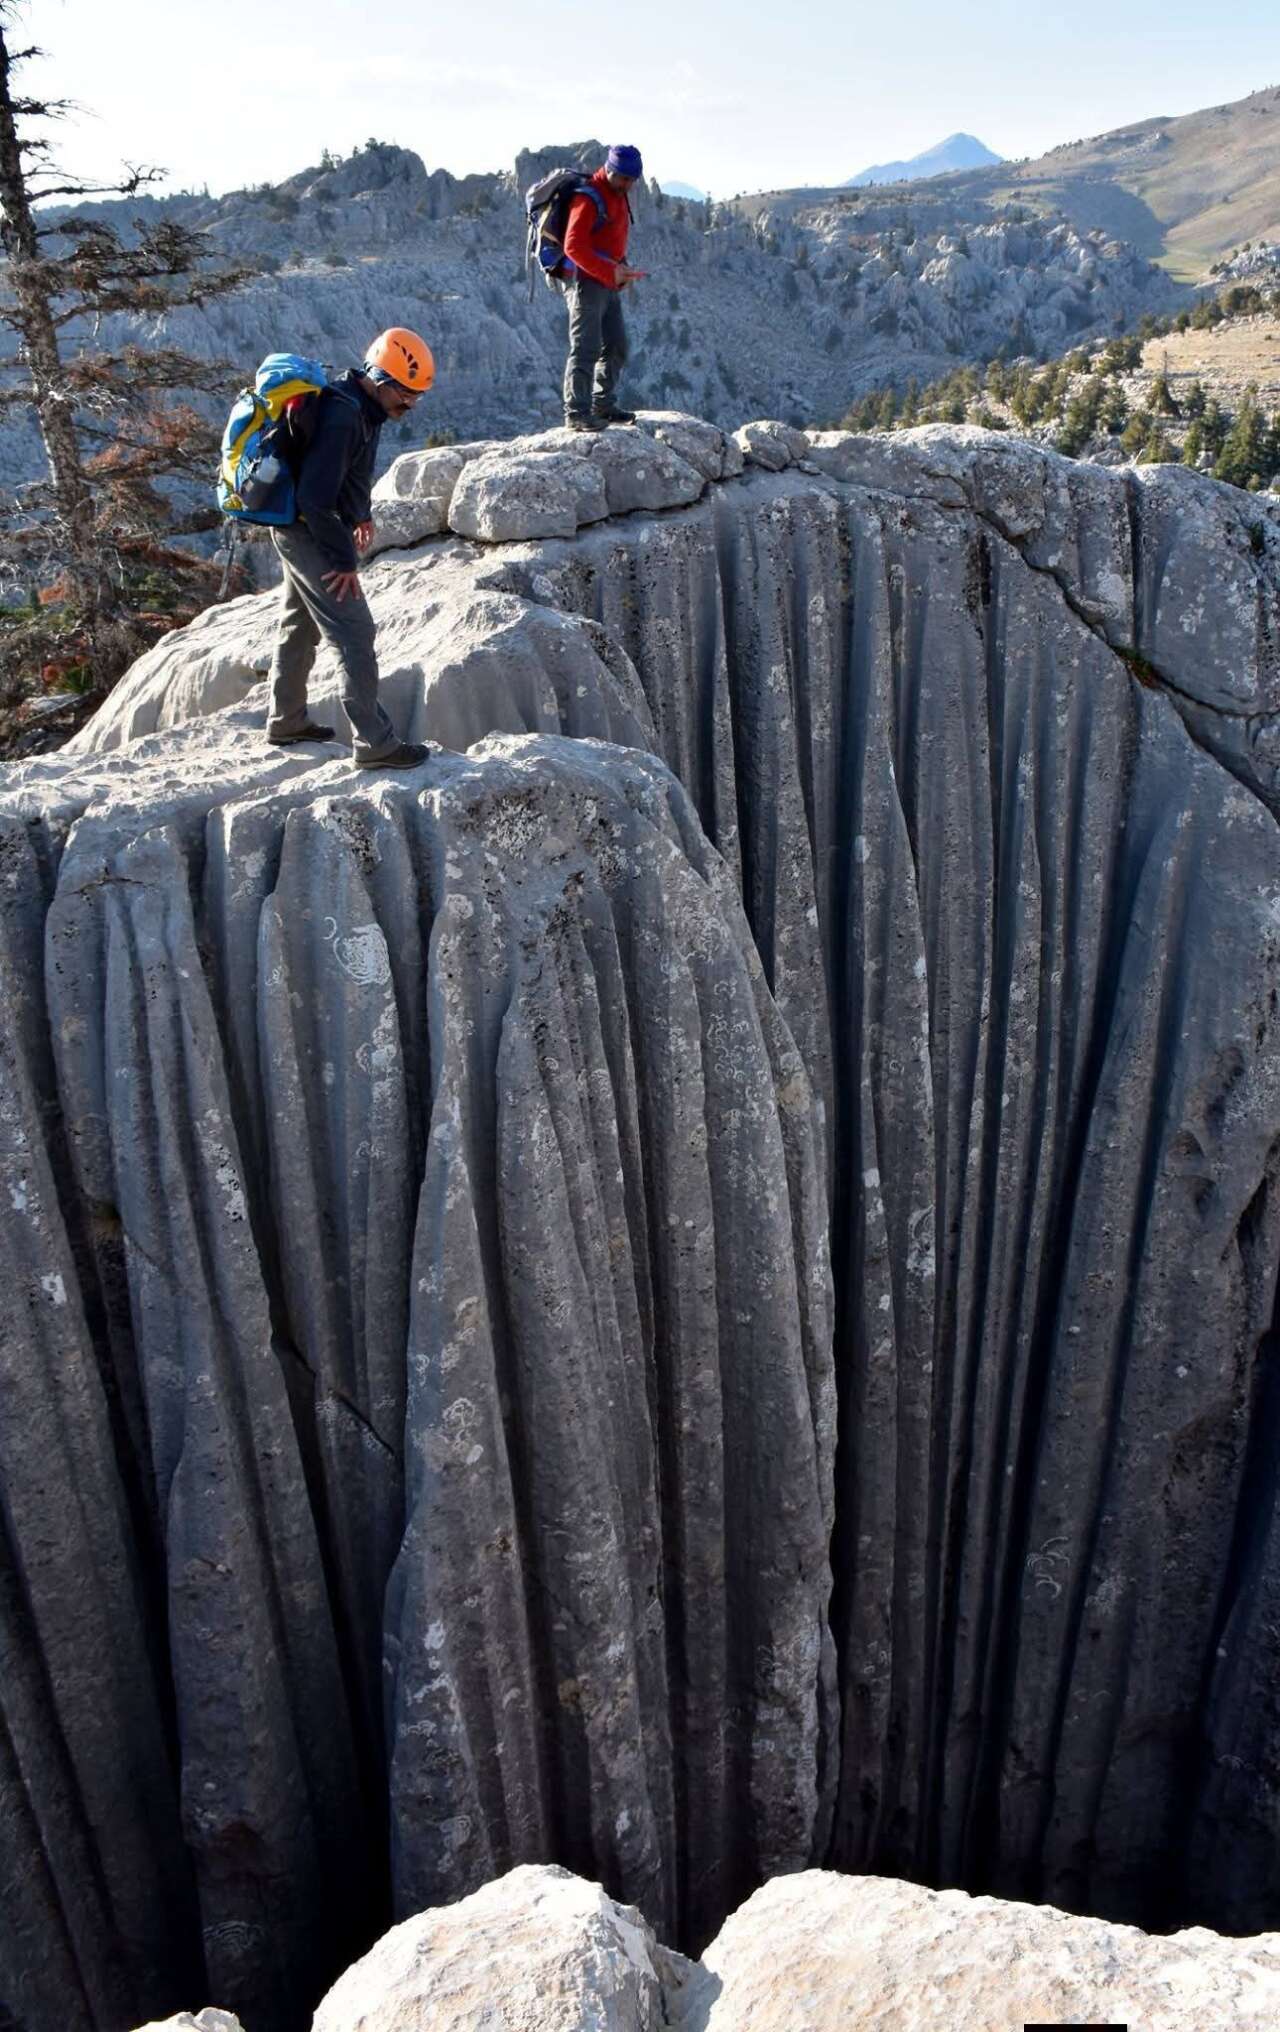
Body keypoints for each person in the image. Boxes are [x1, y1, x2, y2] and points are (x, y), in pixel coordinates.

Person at [265, 326, 435, 767]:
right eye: (406, 392)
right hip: (304, 527)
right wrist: (343, 561)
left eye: (417, 395)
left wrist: (360, 514)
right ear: (380, 379)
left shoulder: (365, 407)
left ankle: (286, 720)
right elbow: (314, 499)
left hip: (303, 524)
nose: (411, 403)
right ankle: (374, 742)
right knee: (354, 632)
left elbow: (354, 470)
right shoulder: (344, 414)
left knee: (299, 622)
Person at [561, 145, 646, 432]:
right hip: (586, 283)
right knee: (585, 347)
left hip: (608, 281)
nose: (627, 185)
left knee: (617, 345)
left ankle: (603, 404)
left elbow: (609, 239)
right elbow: (573, 246)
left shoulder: (618, 195)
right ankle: (577, 413)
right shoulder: (589, 197)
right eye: (622, 178)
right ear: (609, 169)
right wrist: (610, 271)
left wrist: (622, 269)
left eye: (632, 180)